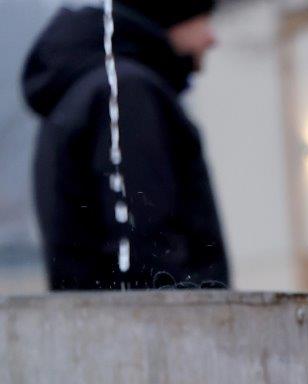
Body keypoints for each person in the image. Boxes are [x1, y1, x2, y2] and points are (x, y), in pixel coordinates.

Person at [22, 0, 229, 290]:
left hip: (105, 313)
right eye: (202, 20)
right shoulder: (128, 93)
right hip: (158, 314)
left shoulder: (90, 91)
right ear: (167, 20)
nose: (211, 38)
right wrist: (187, 309)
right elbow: (147, 241)